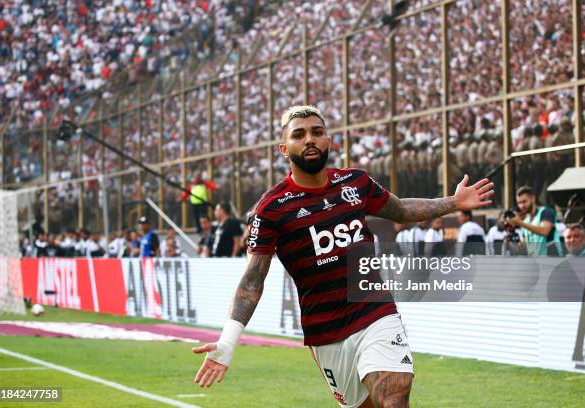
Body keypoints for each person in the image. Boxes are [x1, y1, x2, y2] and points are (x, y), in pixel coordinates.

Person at [193, 105, 494, 407]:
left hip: (374, 312)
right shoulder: (271, 208)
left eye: (317, 132)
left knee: (393, 396)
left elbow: (401, 209)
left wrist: (453, 202)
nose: (310, 139)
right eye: (299, 135)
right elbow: (253, 279)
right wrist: (229, 341)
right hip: (326, 334)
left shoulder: (355, 182)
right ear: (284, 148)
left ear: (328, 141)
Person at [508, 186, 562, 256]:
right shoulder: (526, 220)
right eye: (519, 203)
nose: (521, 206)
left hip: (553, 261)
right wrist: (511, 238)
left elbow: (545, 231)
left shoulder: (546, 212)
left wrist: (519, 222)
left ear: (533, 199)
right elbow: (523, 249)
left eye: (524, 201)